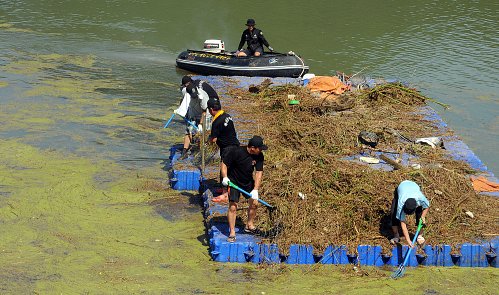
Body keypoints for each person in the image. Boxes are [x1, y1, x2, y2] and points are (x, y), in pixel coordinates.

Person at [221, 136, 267, 242]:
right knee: (233, 206)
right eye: (259, 148)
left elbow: (259, 173)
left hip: (247, 182)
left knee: (254, 203)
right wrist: (225, 177)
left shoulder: (259, 156)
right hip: (233, 182)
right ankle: (232, 232)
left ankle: (249, 225)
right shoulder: (236, 152)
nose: (260, 150)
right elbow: (224, 165)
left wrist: (255, 189)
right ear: (252, 148)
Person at [175, 76, 218, 158]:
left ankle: (200, 150)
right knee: (188, 131)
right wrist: (180, 110)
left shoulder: (202, 96)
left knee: (202, 133)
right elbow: (183, 101)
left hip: (205, 113)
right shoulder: (185, 92)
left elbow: (204, 111)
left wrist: (201, 124)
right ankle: (184, 151)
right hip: (193, 112)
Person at [206, 97, 240, 202]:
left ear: (211, 110)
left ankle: (225, 194)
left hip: (227, 148)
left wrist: (207, 140)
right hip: (235, 145)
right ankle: (225, 189)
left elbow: (214, 139)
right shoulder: (227, 116)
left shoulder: (216, 122)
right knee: (230, 169)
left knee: (225, 170)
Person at [390, 180, 430, 247]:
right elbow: (403, 225)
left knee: (420, 213)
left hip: (414, 186)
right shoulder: (401, 203)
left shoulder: (420, 199)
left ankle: (420, 236)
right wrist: (408, 240)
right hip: (402, 187)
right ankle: (396, 235)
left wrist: (423, 216)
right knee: (393, 213)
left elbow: (427, 207)